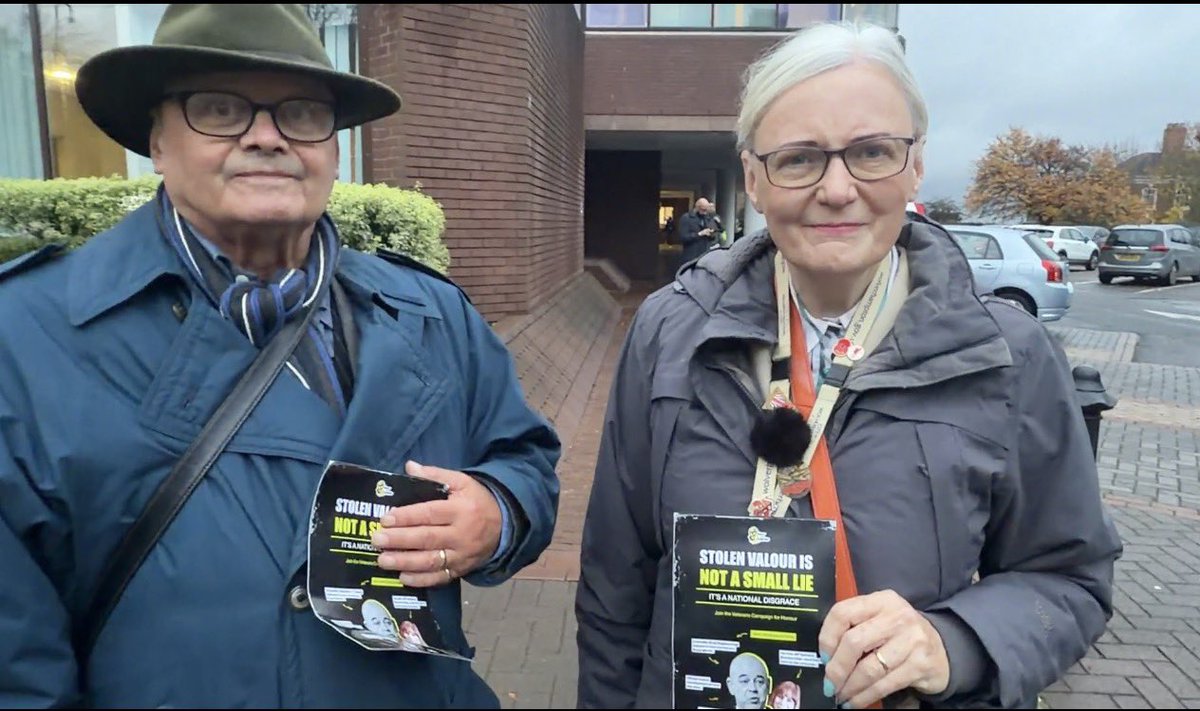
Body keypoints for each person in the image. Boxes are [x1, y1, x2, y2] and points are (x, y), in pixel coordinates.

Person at [0, 4, 559, 708]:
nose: (266, 138)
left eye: (300, 113)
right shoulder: (23, 336)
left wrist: (498, 513)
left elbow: (527, 463)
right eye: (219, 107)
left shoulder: (431, 314)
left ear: (330, 148)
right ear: (158, 141)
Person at [576, 21, 1120, 710]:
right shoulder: (669, 332)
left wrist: (956, 642)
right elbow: (613, 587)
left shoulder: (1006, 354)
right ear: (754, 176)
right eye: (800, 158)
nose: (836, 189)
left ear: (916, 165)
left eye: (871, 151)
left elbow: (1070, 578)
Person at [678, 197, 722, 263]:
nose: (705, 212)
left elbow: (714, 236)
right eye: (703, 210)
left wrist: (711, 233)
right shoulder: (686, 218)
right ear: (697, 207)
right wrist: (699, 234)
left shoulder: (707, 218)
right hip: (691, 256)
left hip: (705, 255)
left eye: (706, 210)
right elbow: (683, 237)